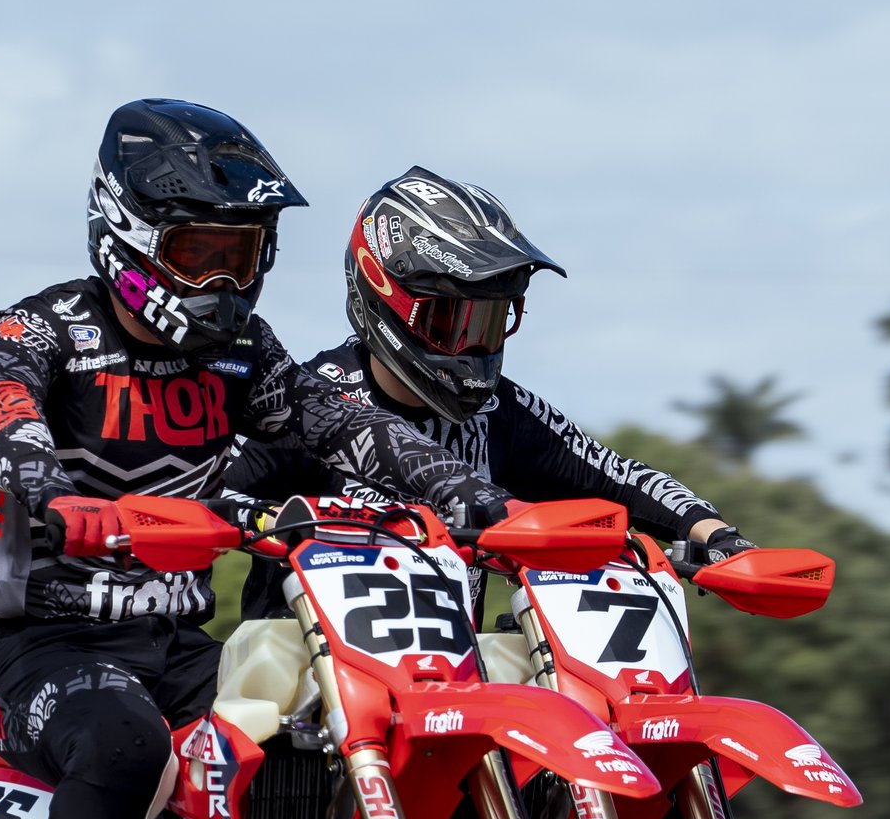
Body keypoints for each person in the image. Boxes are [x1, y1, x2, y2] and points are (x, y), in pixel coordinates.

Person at [0, 105, 510, 819]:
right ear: (124, 234)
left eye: (243, 254)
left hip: (175, 647)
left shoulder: (245, 355)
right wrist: (55, 495)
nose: (221, 281)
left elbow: (340, 425)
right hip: (42, 652)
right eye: (198, 253)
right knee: (123, 741)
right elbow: (9, 435)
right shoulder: (32, 334)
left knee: (311, 735)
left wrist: (469, 497)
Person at [224, 167, 753, 621]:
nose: (470, 348)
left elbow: (618, 476)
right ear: (383, 295)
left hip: (457, 685)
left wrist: (715, 535)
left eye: (489, 322)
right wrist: (263, 521)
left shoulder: (503, 411)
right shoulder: (305, 404)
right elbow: (207, 491)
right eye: (450, 321)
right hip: (303, 682)